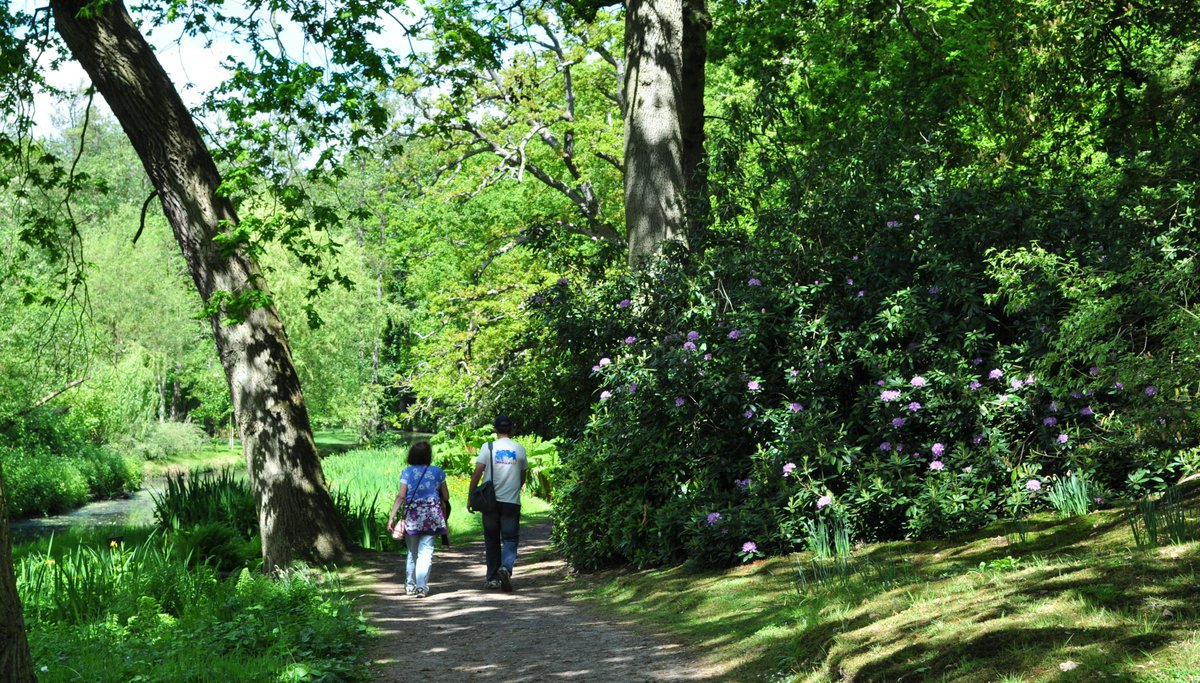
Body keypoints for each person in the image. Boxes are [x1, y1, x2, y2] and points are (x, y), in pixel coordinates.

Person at [467, 415, 528, 591]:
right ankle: (506, 568)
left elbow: (477, 473)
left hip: (490, 502)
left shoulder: (488, 447)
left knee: (491, 539)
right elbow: (522, 476)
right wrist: (514, 488)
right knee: (510, 538)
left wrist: (471, 496)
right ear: (511, 429)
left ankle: (492, 578)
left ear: (495, 429)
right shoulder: (519, 449)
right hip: (511, 502)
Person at [387, 441, 449, 598]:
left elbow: (401, 496)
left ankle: (410, 586)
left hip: (412, 515)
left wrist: (392, 516)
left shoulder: (407, 472)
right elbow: (446, 496)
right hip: (432, 515)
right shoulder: (438, 472)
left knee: (412, 552)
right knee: (426, 552)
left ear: (412, 455)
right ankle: (422, 587)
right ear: (428, 456)